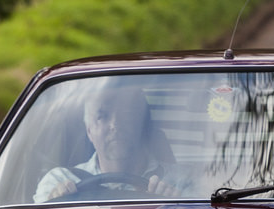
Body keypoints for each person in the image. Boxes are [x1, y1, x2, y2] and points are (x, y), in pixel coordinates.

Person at [33, 81, 181, 202]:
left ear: (142, 125)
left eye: (126, 114)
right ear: (89, 131)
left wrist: (176, 206)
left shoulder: (180, 182)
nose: (115, 125)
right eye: (101, 116)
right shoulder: (59, 181)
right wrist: (56, 208)